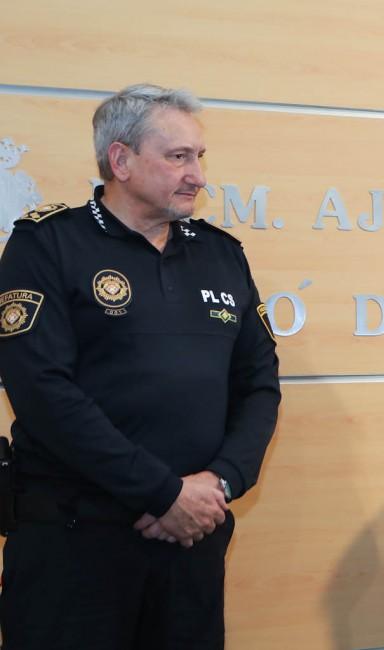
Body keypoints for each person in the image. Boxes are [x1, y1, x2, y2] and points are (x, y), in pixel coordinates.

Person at [0, 83, 281, 649]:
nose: (197, 175)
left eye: (199, 157)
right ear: (121, 160)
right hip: (76, 542)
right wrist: (162, 494)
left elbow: (259, 385)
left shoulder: (221, 254)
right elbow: (42, 391)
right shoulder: (48, 245)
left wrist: (219, 482)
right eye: (178, 157)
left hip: (192, 540)